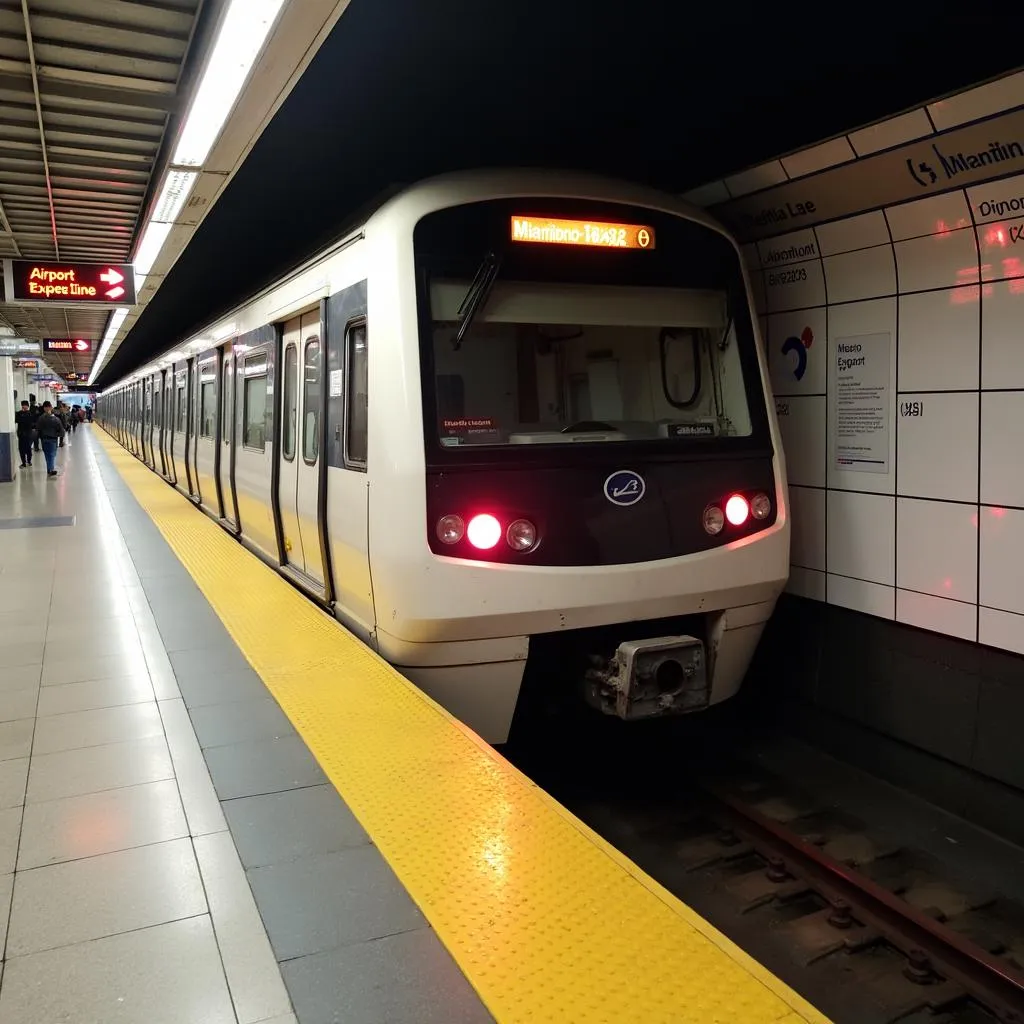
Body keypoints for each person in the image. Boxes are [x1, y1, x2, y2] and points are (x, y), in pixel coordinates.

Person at [35, 401, 65, 477]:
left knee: (48, 455)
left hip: (46, 439)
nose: (47, 408)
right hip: (52, 440)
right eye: (46, 407)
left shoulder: (41, 418)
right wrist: (56, 435)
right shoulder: (55, 419)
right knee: (51, 455)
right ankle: (51, 469)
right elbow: (62, 432)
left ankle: (49, 470)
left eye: (48, 407)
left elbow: (38, 429)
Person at [14, 400, 34, 468]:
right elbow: (17, 421)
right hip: (21, 434)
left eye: (25, 405)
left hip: (28, 434)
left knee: (28, 448)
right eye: (23, 405)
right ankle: (23, 463)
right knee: (21, 449)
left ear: (27, 406)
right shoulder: (19, 413)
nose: (24, 406)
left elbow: (31, 422)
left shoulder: (30, 413)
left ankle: (29, 461)